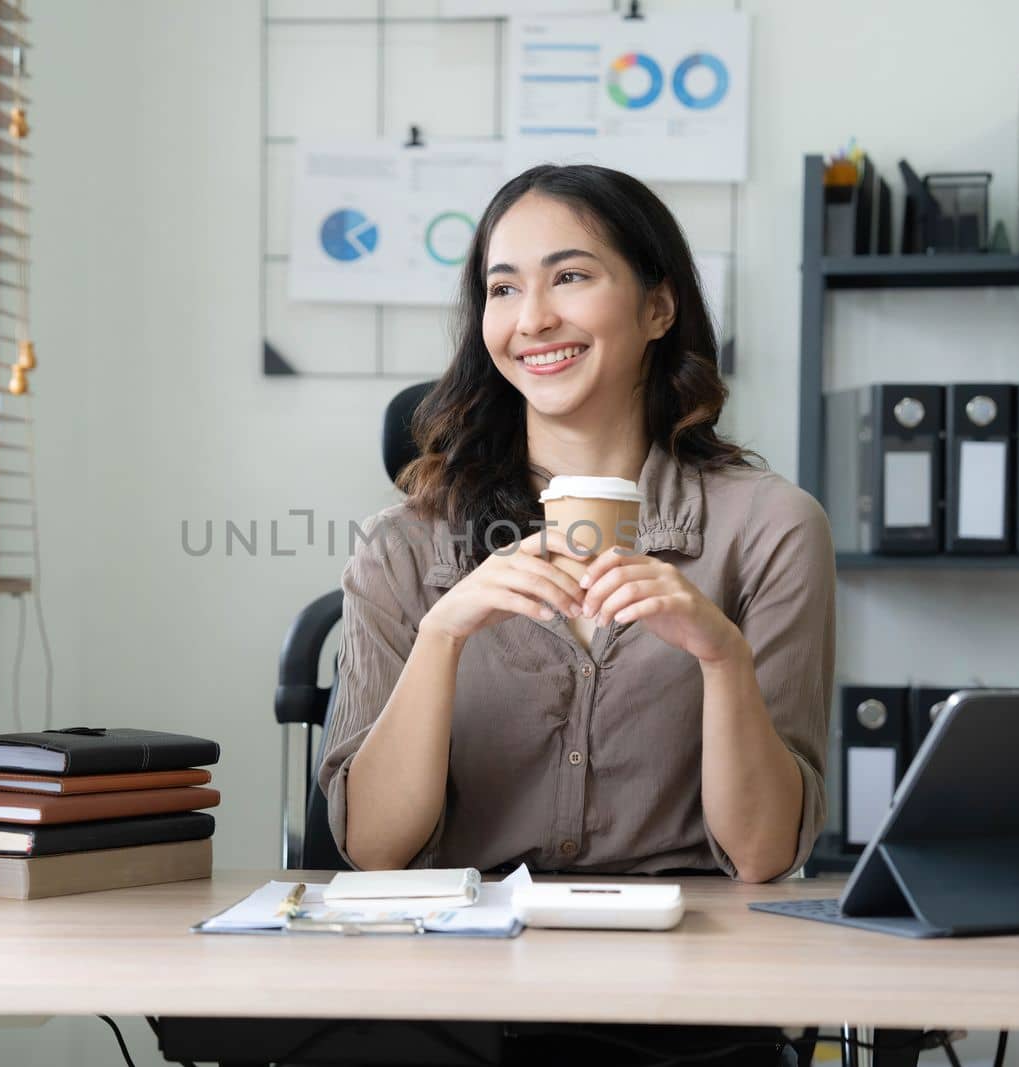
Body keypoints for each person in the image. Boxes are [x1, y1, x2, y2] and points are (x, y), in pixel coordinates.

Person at [317, 163, 833, 887]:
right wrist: (442, 636)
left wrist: (723, 657)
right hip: (462, 964)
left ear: (658, 309)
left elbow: (766, 852)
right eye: (503, 289)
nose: (532, 319)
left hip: (690, 962)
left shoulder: (774, 526)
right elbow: (374, 847)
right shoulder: (401, 546)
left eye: (570, 277)